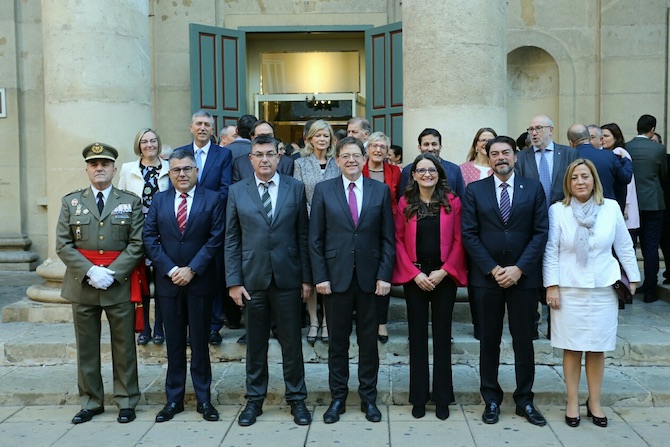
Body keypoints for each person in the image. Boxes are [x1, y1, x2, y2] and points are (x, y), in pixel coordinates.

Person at [543, 158, 640, 428]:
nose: (580, 182)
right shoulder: (558, 210)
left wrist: (633, 277)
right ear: (568, 183)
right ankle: (572, 401)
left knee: (598, 348)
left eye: (585, 176)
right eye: (574, 178)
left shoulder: (610, 208)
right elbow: (551, 250)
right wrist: (551, 285)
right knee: (572, 347)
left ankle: (595, 402)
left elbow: (624, 244)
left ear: (594, 179)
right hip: (568, 289)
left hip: (603, 288)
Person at [461, 135, 549, 427]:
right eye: (495, 153)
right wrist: (493, 268)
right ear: (488, 158)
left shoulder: (533, 188)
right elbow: (469, 233)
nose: (501, 157)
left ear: (515, 156)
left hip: (523, 279)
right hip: (487, 279)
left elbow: (540, 232)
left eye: (506, 152)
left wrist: (519, 269)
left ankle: (525, 400)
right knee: (489, 340)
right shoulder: (475, 190)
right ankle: (491, 398)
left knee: (524, 341)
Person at [225, 135, 312, 427]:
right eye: (259, 154)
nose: (264, 159)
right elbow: (232, 239)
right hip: (252, 279)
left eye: (270, 154)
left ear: (279, 157)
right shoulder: (237, 191)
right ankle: (254, 400)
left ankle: (297, 399)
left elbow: (302, 235)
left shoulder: (294, 188)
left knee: (292, 344)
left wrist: (306, 279)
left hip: (288, 278)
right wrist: (234, 281)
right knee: (256, 345)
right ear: (250, 159)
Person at [56, 143, 144, 424]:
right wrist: (91, 271)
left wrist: (113, 273)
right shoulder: (71, 202)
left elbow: (137, 243)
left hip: (118, 284)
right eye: (94, 164)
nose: (99, 169)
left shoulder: (129, 202)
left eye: (105, 164)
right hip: (83, 284)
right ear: (87, 170)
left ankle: (126, 400)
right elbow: (63, 244)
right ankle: (91, 401)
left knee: (124, 346)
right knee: (86, 347)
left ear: (114, 170)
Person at [309, 136, 395, 424]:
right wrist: (320, 276)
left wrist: (384, 275)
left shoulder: (380, 190)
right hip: (335, 280)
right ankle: (338, 398)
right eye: (345, 156)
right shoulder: (324, 190)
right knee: (337, 343)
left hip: (371, 280)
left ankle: (369, 399)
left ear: (364, 158)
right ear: (337, 161)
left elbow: (387, 238)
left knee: (369, 343)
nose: (351, 160)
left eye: (356, 155)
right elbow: (315, 239)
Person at [143, 149, 225, 423]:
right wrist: (171, 269)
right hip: (169, 284)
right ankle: (174, 400)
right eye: (177, 169)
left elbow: (216, 237)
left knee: (200, 344)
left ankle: (204, 400)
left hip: (200, 282)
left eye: (187, 168)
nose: (182, 174)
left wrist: (192, 269)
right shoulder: (160, 200)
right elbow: (149, 237)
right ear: (169, 173)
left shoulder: (212, 199)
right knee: (174, 344)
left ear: (196, 171)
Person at [392, 153, 467, 420]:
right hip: (415, 277)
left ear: (439, 174)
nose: (427, 174)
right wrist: (414, 273)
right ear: (413, 175)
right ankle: (419, 397)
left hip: (443, 276)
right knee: (417, 338)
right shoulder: (405, 202)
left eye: (431, 170)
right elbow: (398, 240)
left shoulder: (453, 201)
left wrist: (444, 271)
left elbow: (460, 240)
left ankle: (443, 397)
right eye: (421, 170)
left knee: (442, 337)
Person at [515, 115, 579, 339]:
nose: (534, 133)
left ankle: (555, 327)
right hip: (531, 225)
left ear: (551, 130)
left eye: (539, 128)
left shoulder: (569, 154)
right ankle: (531, 326)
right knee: (531, 275)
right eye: (531, 129)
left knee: (557, 273)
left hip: (562, 222)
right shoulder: (521, 157)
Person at [174, 110, 233, 343]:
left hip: (212, 221)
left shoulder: (223, 154)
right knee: (188, 272)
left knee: (214, 273)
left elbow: (225, 188)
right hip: (183, 224)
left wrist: (203, 206)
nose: (202, 128)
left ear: (212, 130)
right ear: (191, 127)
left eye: (207, 125)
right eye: (198, 124)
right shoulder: (180, 153)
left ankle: (214, 326)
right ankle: (192, 326)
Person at [118, 128, 170, 346]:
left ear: (158, 143)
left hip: (163, 231)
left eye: (153, 141)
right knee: (142, 280)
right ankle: (144, 327)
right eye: (144, 141)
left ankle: (159, 327)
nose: (150, 145)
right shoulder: (128, 168)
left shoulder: (169, 166)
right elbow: (120, 199)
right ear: (138, 145)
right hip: (137, 231)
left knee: (162, 280)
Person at [294, 119, 341, 344]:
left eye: (325, 135)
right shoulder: (300, 163)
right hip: (309, 223)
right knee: (312, 273)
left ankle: (327, 323)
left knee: (329, 274)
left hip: (335, 225)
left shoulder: (337, 162)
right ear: (310, 139)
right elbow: (298, 194)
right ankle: (313, 320)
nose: (322, 139)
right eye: (318, 135)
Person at [362, 131, 402, 343]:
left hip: (388, 227)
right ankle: (365, 320)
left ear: (388, 151)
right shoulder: (358, 168)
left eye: (383, 147)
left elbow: (401, 200)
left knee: (384, 274)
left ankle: (381, 323)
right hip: (362, 228)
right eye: (374, 146)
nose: (378, 150)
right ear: (367, 149)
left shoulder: (395, 171)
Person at [626, 114, 667, 303]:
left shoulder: (627, 147)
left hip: (632, 204)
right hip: (653, 203)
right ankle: (650, 288)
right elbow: (663, 174)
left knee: (629, 246)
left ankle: (629, 286)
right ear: (652, 129)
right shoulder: (658, 149)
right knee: (650, 246)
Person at [567, 124, 632, 207]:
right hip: (605, 206)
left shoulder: (566, 158)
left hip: (576, 206)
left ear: (571, 143)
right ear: (589, 138)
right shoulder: (609, 156)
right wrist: (626, 160)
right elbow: (625, 178)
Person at [399, 128, 466, 198]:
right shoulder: (408, 170)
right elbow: (403, 198)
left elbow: (461, 199)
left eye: (434, 144)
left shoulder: (454, 170)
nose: (430, 149)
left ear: (440, 147)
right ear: (419, 147)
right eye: (426, 144)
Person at [601, 123, 640, 237]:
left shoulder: (619, 153)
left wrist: (626, 206)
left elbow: (628, 182)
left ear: (616, 138)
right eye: (601, 136)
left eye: (606, 136)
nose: (603, 139)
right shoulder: (605, 153)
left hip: (623, 203)